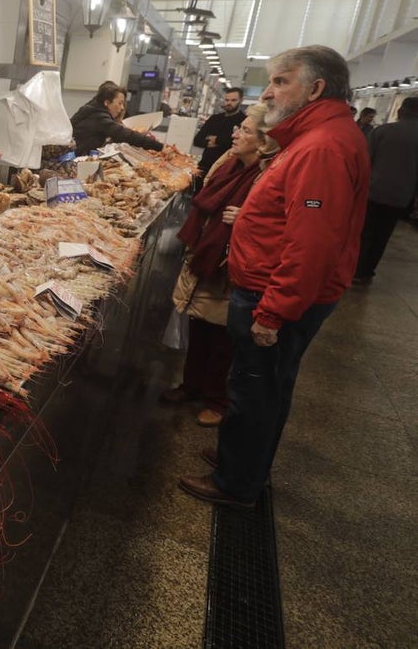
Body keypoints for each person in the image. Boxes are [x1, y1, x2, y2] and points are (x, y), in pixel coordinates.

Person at [179, 45, 370, 510]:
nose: (268, 91)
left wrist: (274, 312)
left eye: (281, 81)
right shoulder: (315, 137)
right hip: (273, 287)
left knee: (256, 389)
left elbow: (313, 244)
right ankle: (243, 458)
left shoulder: (322, 147)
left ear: (315, 88)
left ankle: (237, 482)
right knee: (262, 386)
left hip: (275, 295)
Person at [163, 102, 278, 427]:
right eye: (238, 127)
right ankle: (192, 384)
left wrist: (247, 218)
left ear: (264, 141)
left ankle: (217, 398)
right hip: (206, 253)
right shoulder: (228, 163)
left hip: (232, 262)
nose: (235, 133)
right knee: (199, 322)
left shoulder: (267, 175)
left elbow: (285, 221)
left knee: (223, 336)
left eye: (245, 130)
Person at [353, 96, 418, 283]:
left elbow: (364, 162)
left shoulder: (381, 131)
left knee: (363, 231)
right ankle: (367, 272)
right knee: (382, 234)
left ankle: (354, 269)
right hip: (400, 196)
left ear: (400, 111)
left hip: (372, 191)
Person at [69, 81, 164, 154]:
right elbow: (124, 134)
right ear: (106, 102)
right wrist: (160, 147)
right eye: (119, 103)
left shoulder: (94, 109)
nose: (122, 108)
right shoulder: (99, 116)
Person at [192, 87, 247, 191]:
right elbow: (197, 140)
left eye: (233, 100)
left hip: (226, 171)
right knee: (195, 198)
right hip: (204, 166)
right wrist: (224, 141)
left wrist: (216, 139)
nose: (229, 103)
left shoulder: (243, 121)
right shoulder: (215, 119)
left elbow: (237, 144)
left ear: (241, 100)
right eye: (227, 100)